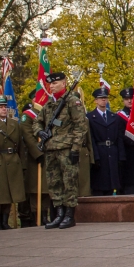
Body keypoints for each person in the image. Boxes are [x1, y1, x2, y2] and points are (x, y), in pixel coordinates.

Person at [35, 72, 88, 230]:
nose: (51, 86)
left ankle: (69, 216)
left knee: (69, 182)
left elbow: (81, 126)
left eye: (55, 83)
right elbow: (37, 122)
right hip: (51, 148)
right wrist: (40, 132)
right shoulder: (50, 104)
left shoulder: (72, 101)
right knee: (54, 182)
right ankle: (59, 214)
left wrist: (75, 148)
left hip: (66, 148)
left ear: (64, 83)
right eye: (50, 84)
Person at [0, 96, 31, 230]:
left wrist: (23, 164)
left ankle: (4, 221)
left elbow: (20, 146)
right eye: (0, 107)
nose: (3, 109)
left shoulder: (15, 124)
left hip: (13, 161)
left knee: (10, 193)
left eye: (4, 107)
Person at [17, 96, 50, 227]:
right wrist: (38, 153)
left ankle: (44, 215)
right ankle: (35, 215)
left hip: (50, 155)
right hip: (34, 158)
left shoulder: (49, 113)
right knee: (36, 188)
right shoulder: (28, 116)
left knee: (46, 189)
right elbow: (28, 137)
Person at [87, 88, 124, 196]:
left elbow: (119, 138)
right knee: (99, 185)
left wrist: (121, 155)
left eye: (105, 98)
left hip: (112, 152)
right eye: (100, 98)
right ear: (95, 101)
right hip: (99, 152)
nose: (103, 100)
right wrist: (95, 157)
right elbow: (91, 139)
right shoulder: (89, 117)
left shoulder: (114, 117)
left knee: (112, 185)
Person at [117, 88, 134, 195]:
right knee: (130, 186)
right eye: (126, 99)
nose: (129, 101)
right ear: (123, 100)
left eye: (132, 98)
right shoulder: (120, 116)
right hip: (128, 154)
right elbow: (120, 135)